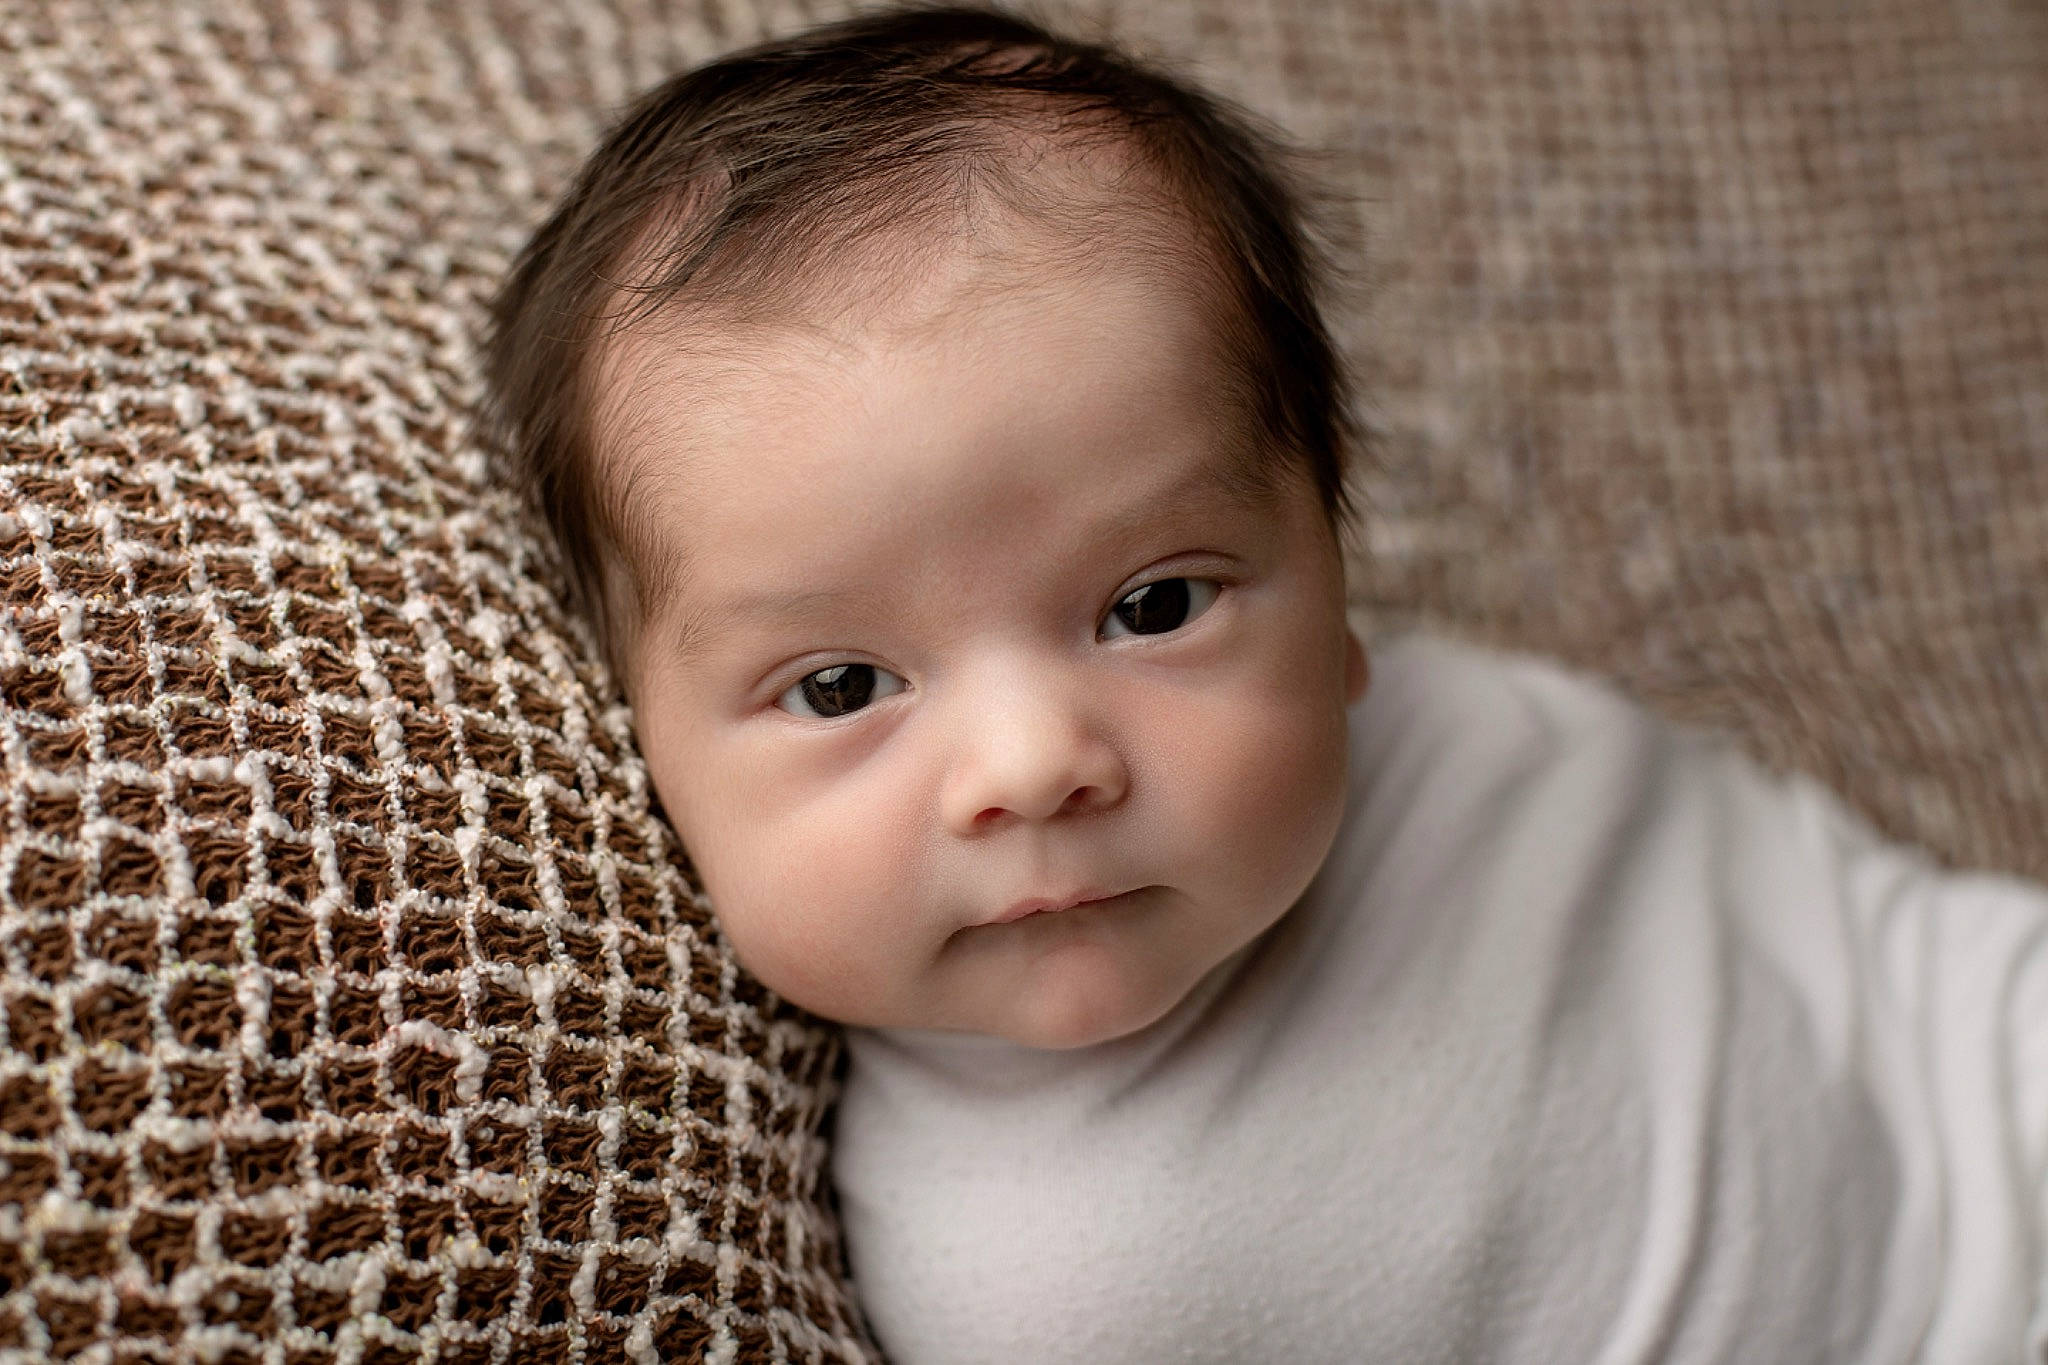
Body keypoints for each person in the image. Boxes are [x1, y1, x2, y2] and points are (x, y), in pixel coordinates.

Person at [482, 6, 2048, 1360]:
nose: (1033, 761)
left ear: (1332, 570)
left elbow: (1833, 922)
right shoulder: (1041, 1297)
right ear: (640, 740)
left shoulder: (1439, 747)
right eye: (840, 687)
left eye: (1152, 604)